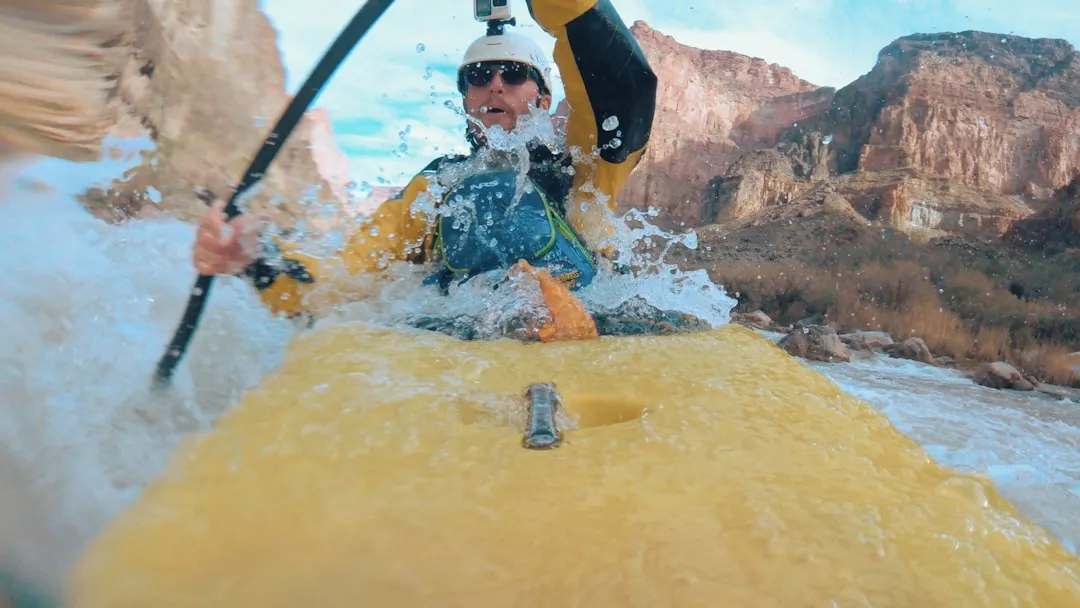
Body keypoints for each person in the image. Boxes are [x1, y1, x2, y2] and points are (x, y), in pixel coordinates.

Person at [192, 0, 657, 339]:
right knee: (481, 195)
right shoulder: (434, 186)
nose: (495, 85)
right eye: (479, 77)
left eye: (513, 75)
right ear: (465, 101)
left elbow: (625, 88)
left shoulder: (584, 165)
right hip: (462, 332)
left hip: (593, 318)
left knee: (496, 193)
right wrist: (255, 262)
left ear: (542, 98)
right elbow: (345, 280)